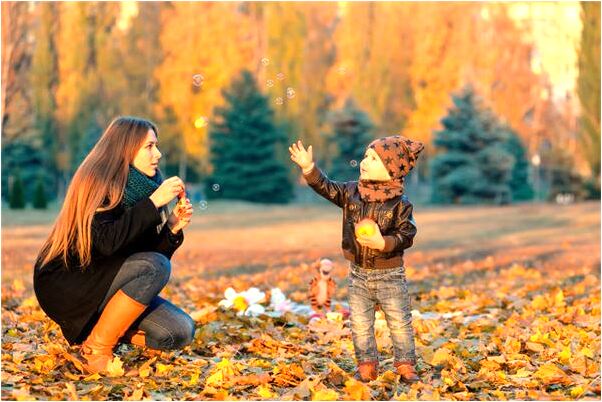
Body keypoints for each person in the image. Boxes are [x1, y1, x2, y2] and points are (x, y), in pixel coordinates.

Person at [34, 116, 195, 374]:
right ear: (126, 148)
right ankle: (95, 351)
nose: (159, 154)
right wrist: (153, 203)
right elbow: (107, 244)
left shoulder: (144, 186)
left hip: (108, 281)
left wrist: (171, 228)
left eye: (156, 145)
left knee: (179, 331)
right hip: (70, 282)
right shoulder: (97, 181)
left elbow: (146, 262)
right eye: (149, 147)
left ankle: (96, 334)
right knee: (155, 267)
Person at [289, 136, 424, 383]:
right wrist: (309, 169)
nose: (364, 161)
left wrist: (383, 243)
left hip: (390, 274)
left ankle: (405, 365)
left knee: (399, 322)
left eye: (374, 159)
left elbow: (407, 234)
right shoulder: (352, 192)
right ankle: (366, 367)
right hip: (358, 273)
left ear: (391, 169)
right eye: (365, 156)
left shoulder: (401, 204)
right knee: (360, 325)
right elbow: (327, 187)